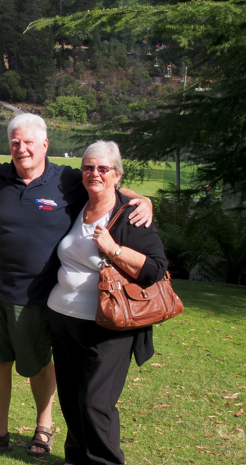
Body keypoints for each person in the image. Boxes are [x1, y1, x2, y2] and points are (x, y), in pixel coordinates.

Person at [0, 114, 153, 457]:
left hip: (40, 297)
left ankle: (43, 427)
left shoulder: (66, 179)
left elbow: (105, 182)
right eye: (15, 143)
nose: (21, 149)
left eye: (28, 143)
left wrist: (142, 199)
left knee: (39, 365)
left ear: (45, 145)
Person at [47, 140, 167, 464]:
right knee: (71, 400)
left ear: (117, 174)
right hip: (64, 320)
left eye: (103, 168)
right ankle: (76, 458)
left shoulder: (130, 216)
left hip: (108, 325)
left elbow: (156, 268)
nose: (94, 173)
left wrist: (113, 248)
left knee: (95, 401)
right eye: (89, 167)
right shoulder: (77, 204)